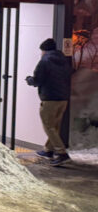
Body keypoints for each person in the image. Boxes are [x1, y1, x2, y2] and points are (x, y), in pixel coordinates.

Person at [25, 38, 72, 166]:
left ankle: (62, 153)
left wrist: (29, 80)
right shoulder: (64, 61)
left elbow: (37, 80)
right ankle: (48, 150)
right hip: (63, 99)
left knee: (48, 126)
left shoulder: (44, 62)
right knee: (55, 126)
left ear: (44, 50)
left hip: (50, 99)